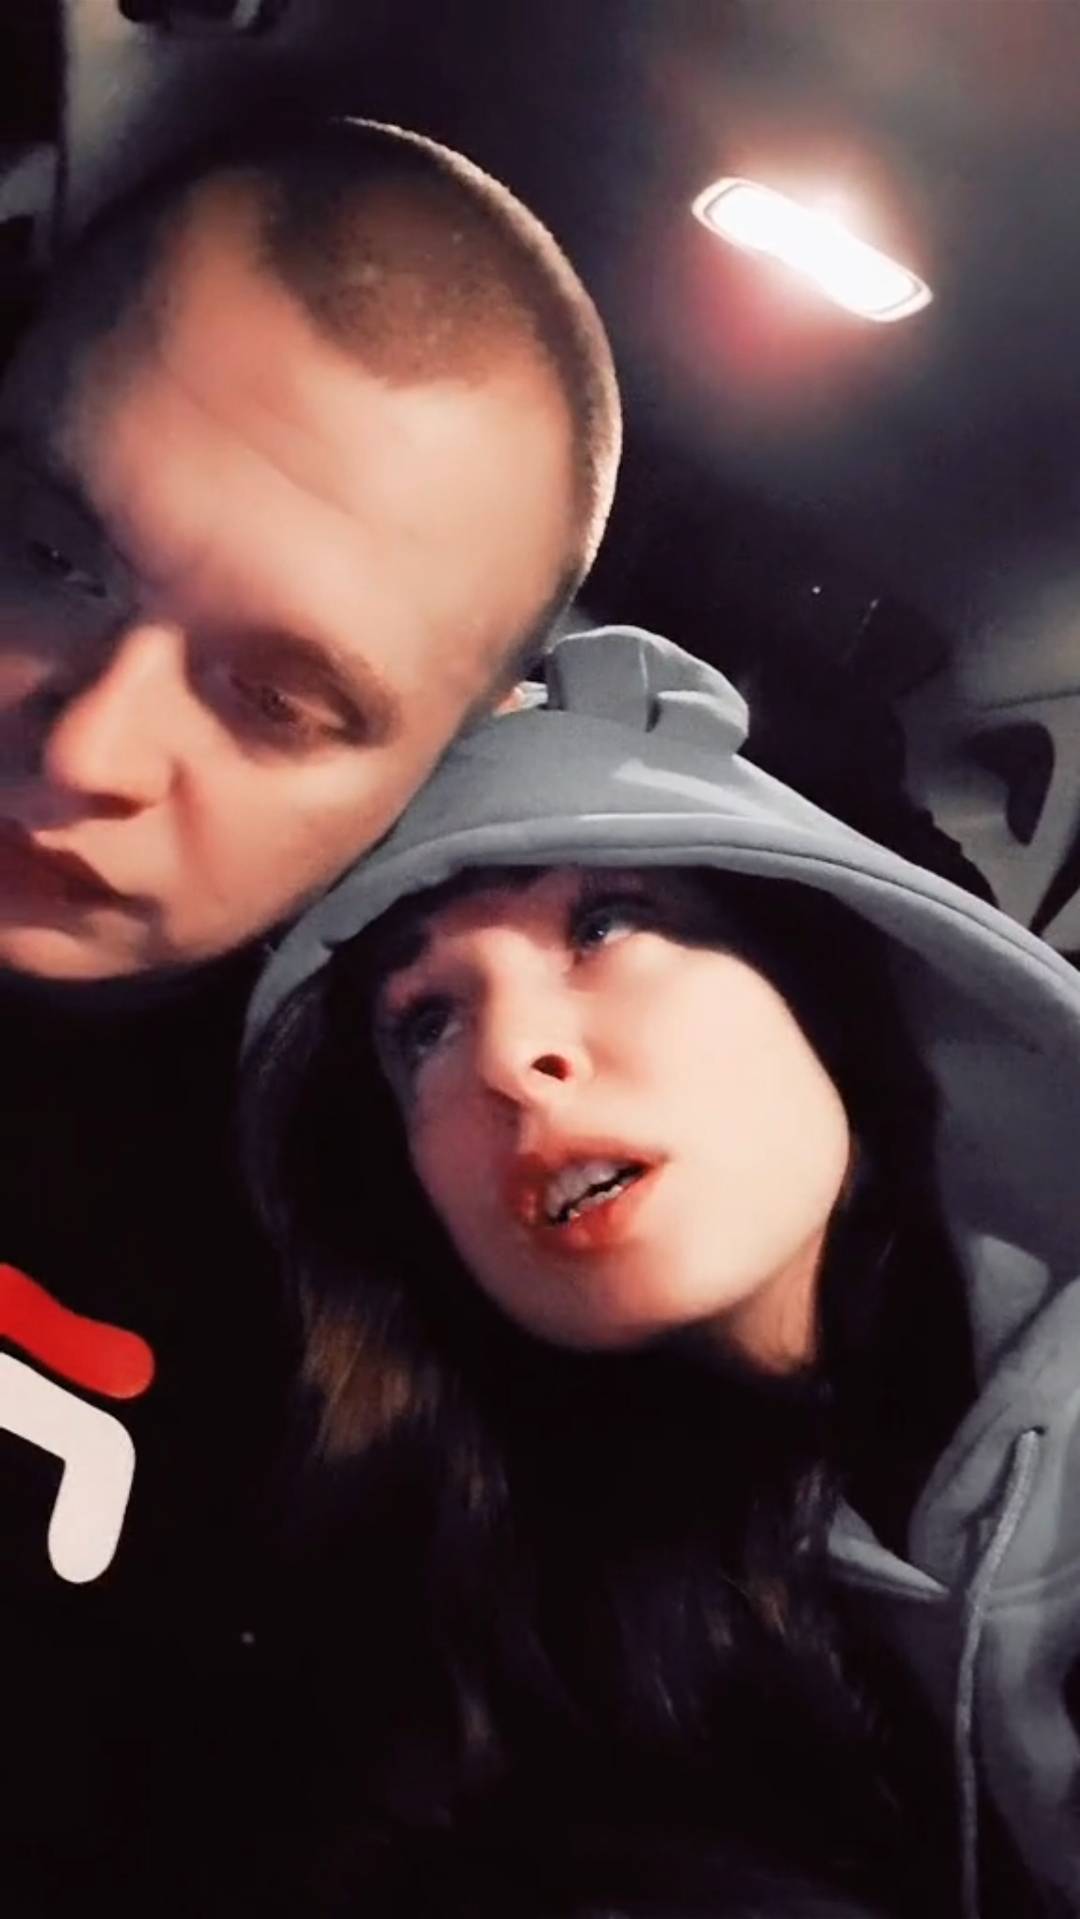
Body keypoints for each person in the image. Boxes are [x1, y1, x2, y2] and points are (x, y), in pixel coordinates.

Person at [0, 115, 620, 1914]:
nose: (92, 747)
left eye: (279, 700)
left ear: (445, 770)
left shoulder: (382, 1340)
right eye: (50, 553)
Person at [245, 624, 1080, 1919]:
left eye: (607, 921)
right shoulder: (505, 1670)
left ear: (816, 986)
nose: (511, 1057)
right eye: (424, 1024)